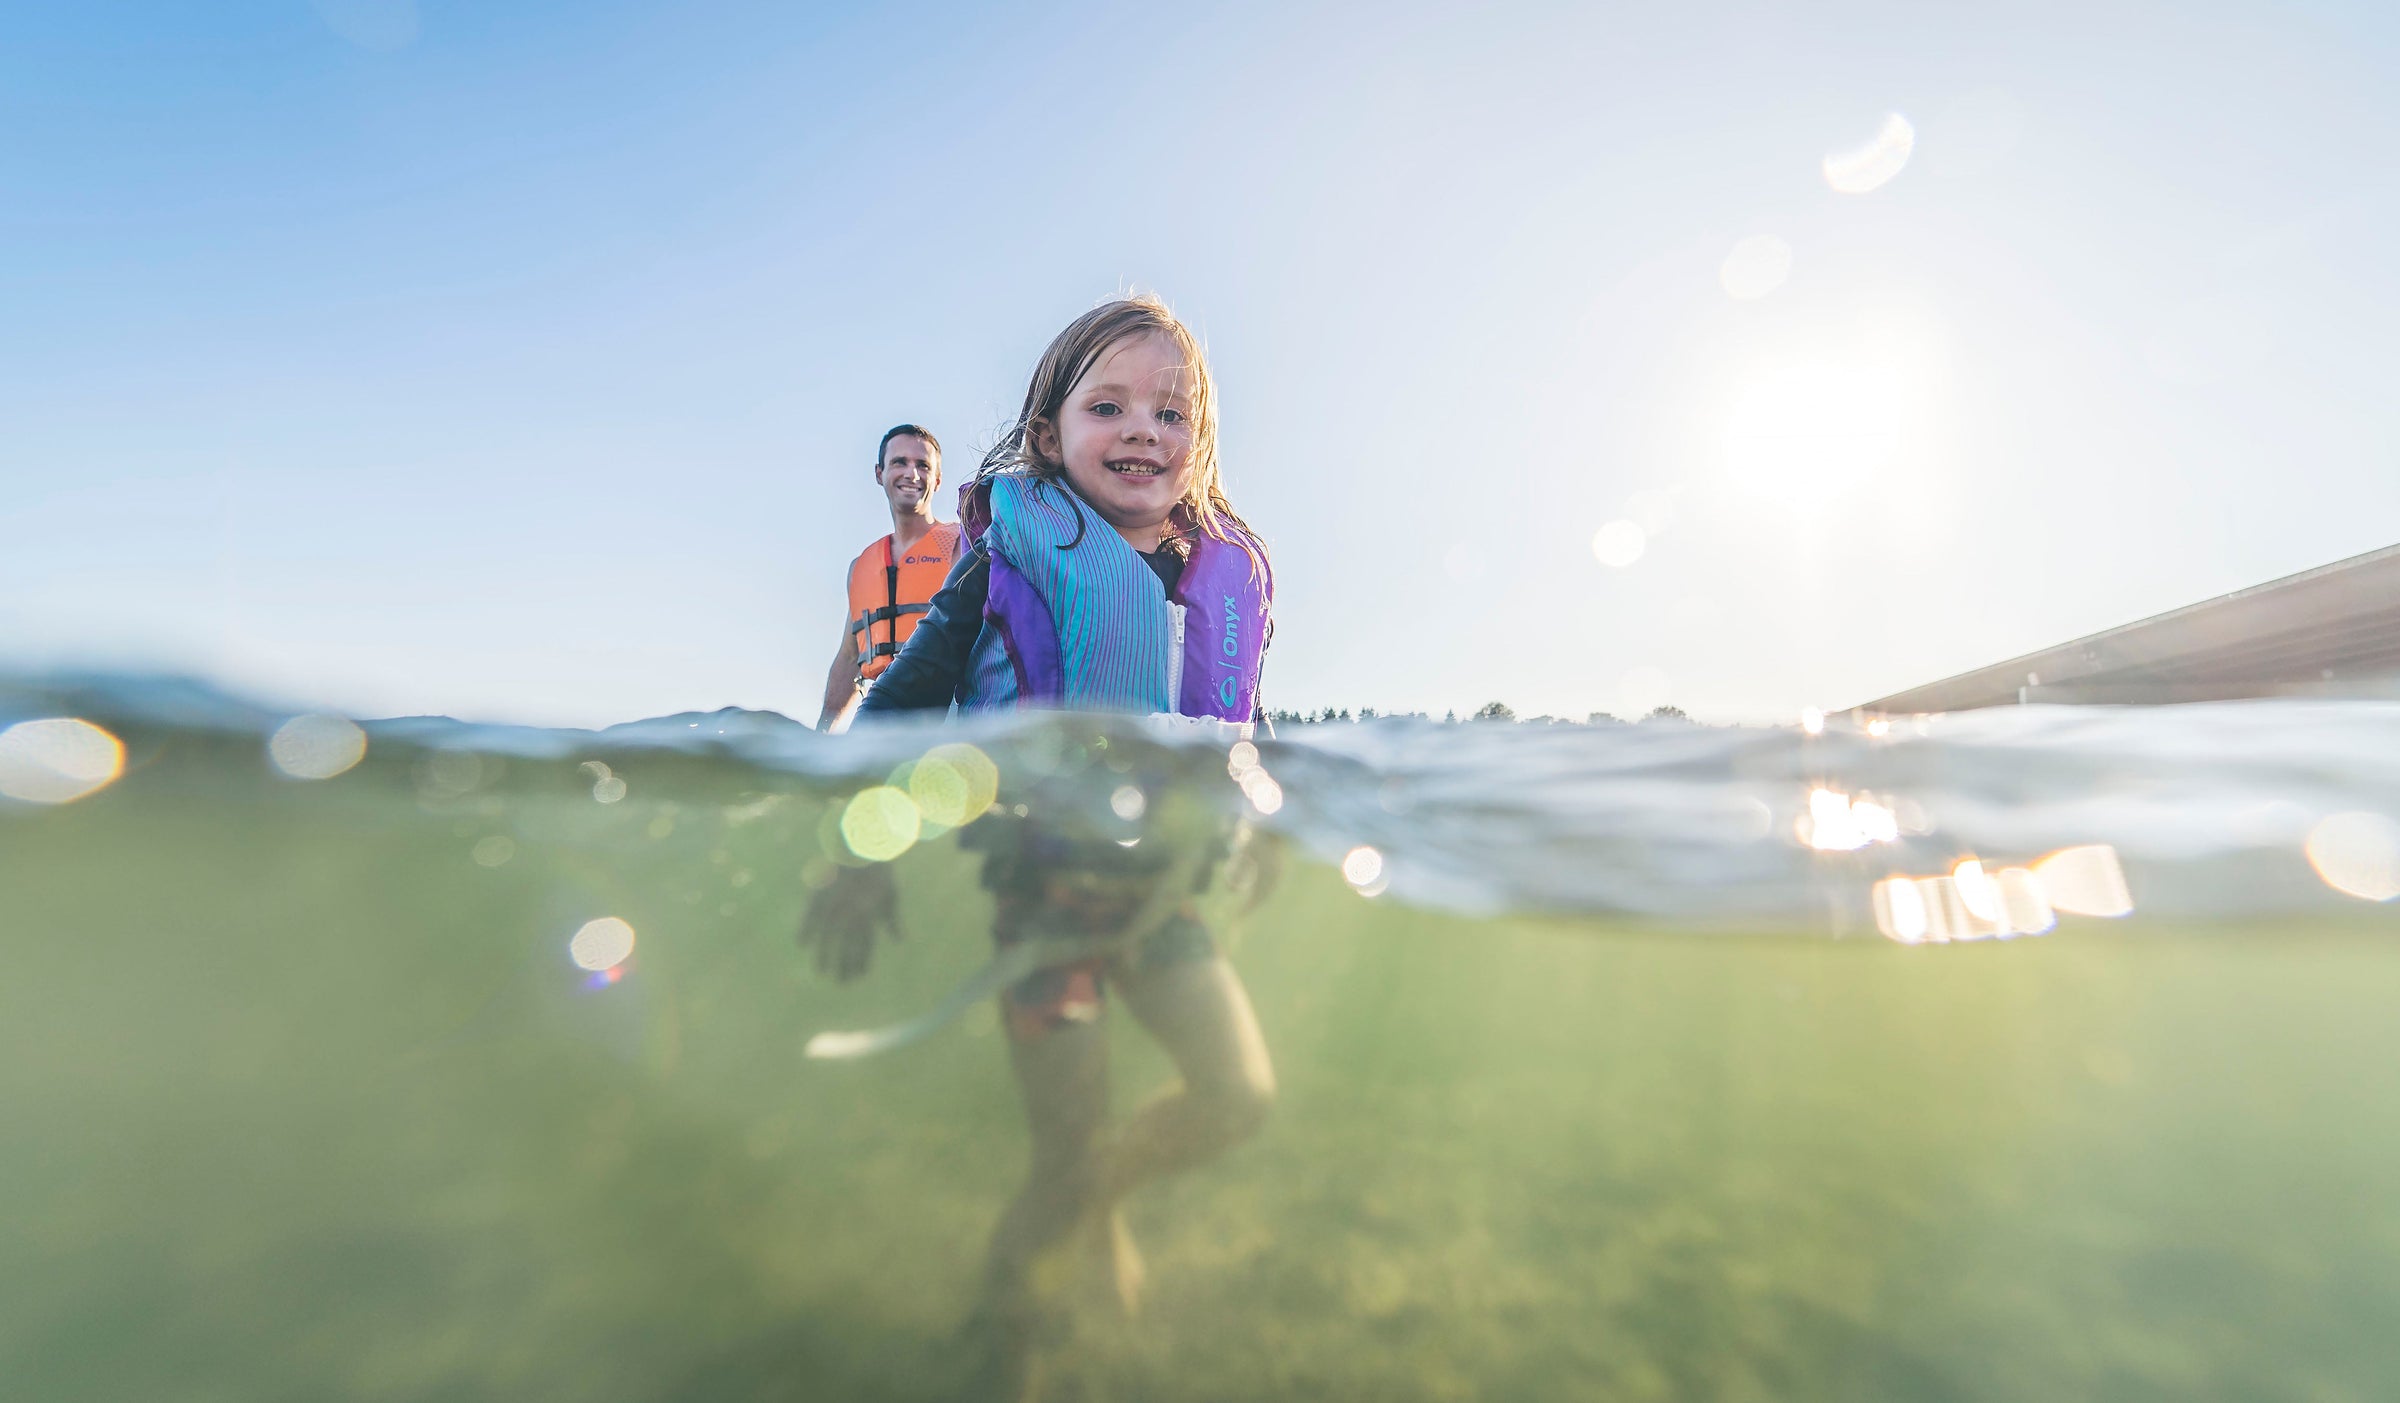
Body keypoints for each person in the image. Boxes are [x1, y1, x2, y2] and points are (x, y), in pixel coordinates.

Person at [802, 296, 1277, 1394]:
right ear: (1048, 429)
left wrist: (1261, 828)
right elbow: (904, 700)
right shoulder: (1007, 551)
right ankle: (1000, 1349)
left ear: (1198, 440)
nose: (1143, 430)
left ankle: (1110, 1191)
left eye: (1171, 411)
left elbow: (1238, 739)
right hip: (1044, 910)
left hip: (1164, 904)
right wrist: (858, 853)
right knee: (1058, 1161)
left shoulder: (1219, 576)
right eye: (1107, 405)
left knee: (1238, 1095)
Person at [816, 424, 962, 732]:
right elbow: (848, 658)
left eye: (923, 465)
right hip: (881, 706)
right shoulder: (861, 567)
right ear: (879, 473)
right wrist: (822, 734)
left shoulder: (960, 545)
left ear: (936, 480)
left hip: (946, 709)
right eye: (900, 462)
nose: (912, 474)